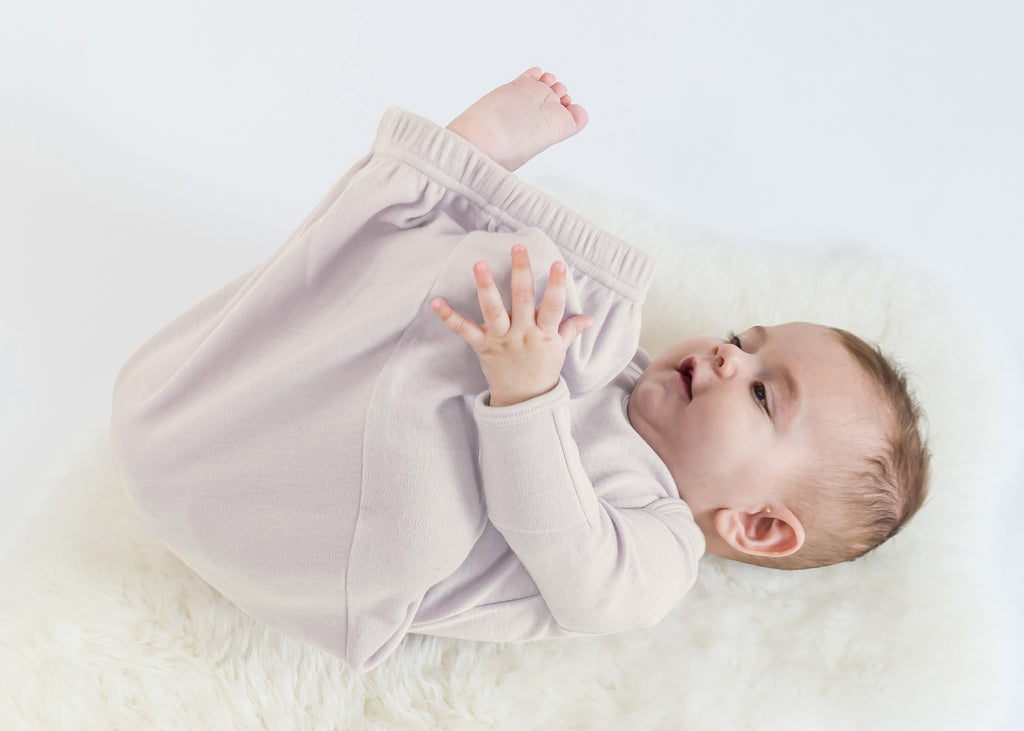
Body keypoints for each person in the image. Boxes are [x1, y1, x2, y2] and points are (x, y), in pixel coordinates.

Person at [109, 68, 930, 673]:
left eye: (760, 390)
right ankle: (436, 180)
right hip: (228, 441)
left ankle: (456, 173)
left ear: (754, 525)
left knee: (505, 291)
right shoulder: (615, 373)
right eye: (744, 339)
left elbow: (559, 538)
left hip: (335, 563)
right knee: (471, 290)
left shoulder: (659, 552)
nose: (727, 354)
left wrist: (527, 389)